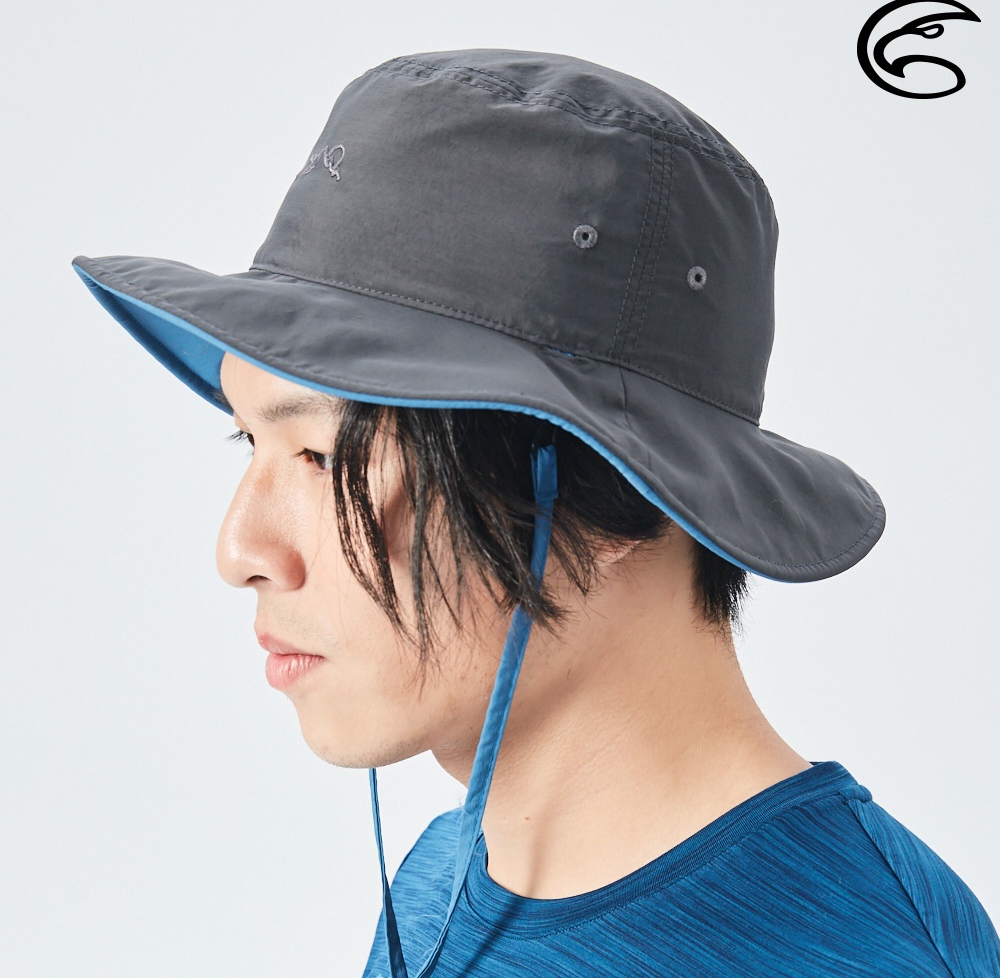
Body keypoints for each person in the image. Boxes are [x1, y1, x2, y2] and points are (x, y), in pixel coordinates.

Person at [73, 49, 999, 976]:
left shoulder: (868, 955)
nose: (240, 549)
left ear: (612, 491)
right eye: (248, 442)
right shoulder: (442, 886)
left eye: (321, 456)